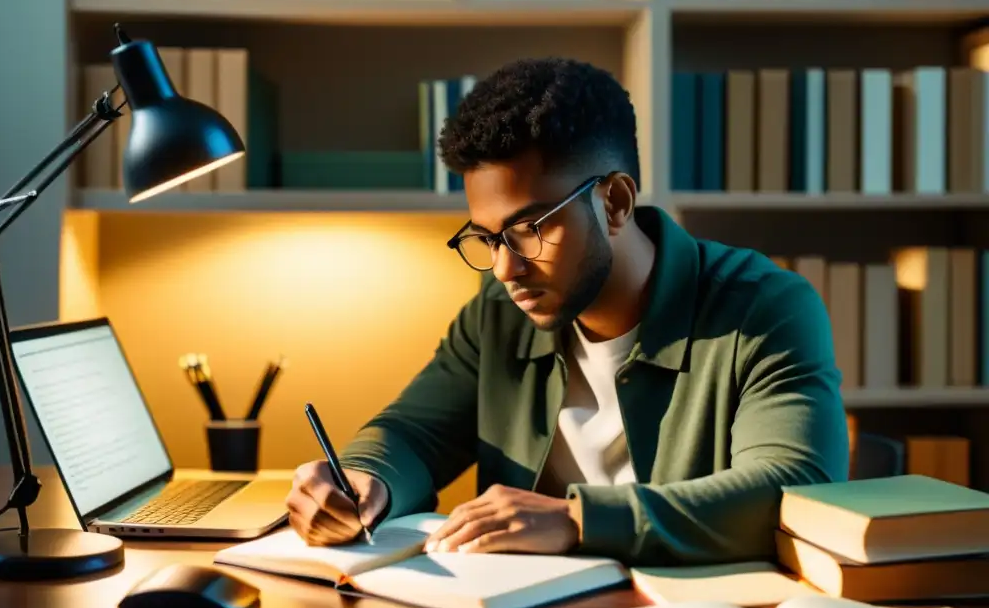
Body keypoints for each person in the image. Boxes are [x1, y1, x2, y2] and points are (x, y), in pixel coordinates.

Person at [285, 57, 849, 566]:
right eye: (487, 238)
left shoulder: (764, 307)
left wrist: (576, 521)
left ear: (616, 202)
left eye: (529, 229)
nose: (505, 270)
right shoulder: (498, 313)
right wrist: (364, 479)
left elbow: (792, 487)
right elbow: (414, 432)